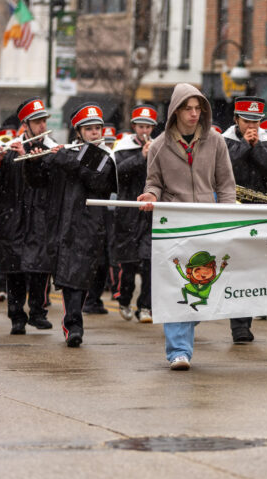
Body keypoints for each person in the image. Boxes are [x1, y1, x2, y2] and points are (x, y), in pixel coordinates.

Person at [138, 83, 236, 370]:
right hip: (174, 224)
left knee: (206, 285)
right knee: (179, 288)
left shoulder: (216, 141)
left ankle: (183, 334)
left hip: (208, 222)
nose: (194, 114)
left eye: (198, 108)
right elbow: (153, 181)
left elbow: (226, 185)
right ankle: (178, 351)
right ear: (176, 112)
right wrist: (151, 195)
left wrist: (229, 218)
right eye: (188, 109)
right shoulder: (158, 145)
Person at [37, 102, 117, 347]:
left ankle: (73, 324)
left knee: (79, 277)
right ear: (78, 132)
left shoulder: (104, 156)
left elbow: (96, 180)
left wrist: (64, 159)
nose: (95, 132)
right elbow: (39, 181)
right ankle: (72, 324)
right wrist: (41, 159)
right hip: (61, 224)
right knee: (68, 277)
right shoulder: (69, 153)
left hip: (89, 226)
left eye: (97, 128)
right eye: (89, 128)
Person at [222, 96, 267, 343]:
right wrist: (243, 147)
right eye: (246, 121)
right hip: (230, 209)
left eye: (256, 121)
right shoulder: (222, 141)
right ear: (236, 119)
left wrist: (257, 147)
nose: (251, 126)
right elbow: (219, 167)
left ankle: (242, 324)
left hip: (260, 209)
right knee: (231, 265)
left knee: (251, 268)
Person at [0, 97, 56, 335]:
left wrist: (38, 159)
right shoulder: (9, 149)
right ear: (25, 124)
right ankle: (16, 316)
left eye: (44, 121)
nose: (42, 126)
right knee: (15, 270)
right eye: (37, 122)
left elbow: (51, 181)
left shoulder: (51, 148)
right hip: (15, 217)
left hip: (39, 216)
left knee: (40, 268)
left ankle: (38, 312)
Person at [112, 104, 157, 323]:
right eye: (140, 126)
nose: (144, 131)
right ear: (133, 127)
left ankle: (146, 306)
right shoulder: (122, 147)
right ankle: (124, 299)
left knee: (150, 261)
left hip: (150, 213)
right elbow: (118, 173)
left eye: (148, 127)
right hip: (128, 212)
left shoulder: (159, 148)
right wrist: (140, 156)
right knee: (128, 263)